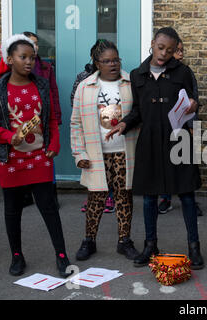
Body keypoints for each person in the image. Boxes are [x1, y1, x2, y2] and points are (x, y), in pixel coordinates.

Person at [106, 27, 204, 270]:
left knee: (187, 195)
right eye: (161, 48)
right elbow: (138, 110)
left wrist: (194, 105)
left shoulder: (183, 72)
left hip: (178, 140)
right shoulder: (138, 75)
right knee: (149, 198)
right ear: (152, 44)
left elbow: (193, 102)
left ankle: (194, 247)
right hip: (149, 141)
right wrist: (124, 124)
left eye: (170, 50)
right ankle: (151, 245)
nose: (164, 54)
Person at [0, 34, 71, 277]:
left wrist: (55, 142)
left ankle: (61, 255)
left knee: (49, 208)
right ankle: (17, 256)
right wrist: (10, 137)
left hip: (40, 157)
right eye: (23, 57)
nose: (29, 62)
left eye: (32, 57)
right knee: (12, 210)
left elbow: (50, 118)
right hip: (11, 160)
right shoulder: (0, 87)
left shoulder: (40, 85)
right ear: (9, 59)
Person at [70, 39, 140, 261]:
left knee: (124, 197)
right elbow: (76, 123)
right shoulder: (85, 86)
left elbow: (138, 115)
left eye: (116, 60)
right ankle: (89, 240)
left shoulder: (131, 83)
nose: (113, 64)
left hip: (124, 151)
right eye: (107, 61)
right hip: (95, 154)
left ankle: (124, 241)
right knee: (96, 198)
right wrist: (79, 153)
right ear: (97, 63)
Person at [70, 39, 116, 215]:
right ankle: (93, 197)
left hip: (109, 126)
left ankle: (110, 196)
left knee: (111, 165)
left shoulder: (117, 78)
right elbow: (75, 100)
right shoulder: (83, 78)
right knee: (94, 165)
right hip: (91, 128)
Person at [159, 38, 203, 217]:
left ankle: (190, 200)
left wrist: (193, 127)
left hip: (183, 125)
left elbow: (194, 99)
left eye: (182, 50)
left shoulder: (186, 72)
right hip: (164, 127)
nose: (181, 54)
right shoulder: (158, 72)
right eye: (177, 50)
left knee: (185, 165)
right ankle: (166, 198)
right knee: (165, 164)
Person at [22, 31, 62, 209]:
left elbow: (53, 93)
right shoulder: (15, 69)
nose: (35, 46)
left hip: (44, 119)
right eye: (31, 43)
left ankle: (50, 197)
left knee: (47, 155)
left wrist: (57, 118)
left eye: (36, 43)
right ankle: (25, 195)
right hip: (22, 119)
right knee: (23, 153)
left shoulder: (46, 67)